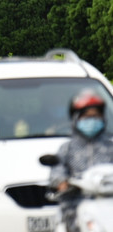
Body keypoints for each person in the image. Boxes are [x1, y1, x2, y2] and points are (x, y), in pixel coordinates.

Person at [50, 89, 113, 232]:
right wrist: (61, 182)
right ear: (76, 119)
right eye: (86, 117)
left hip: (108, 205)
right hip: (74, 206)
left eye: (96, 116)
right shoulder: (67, 149)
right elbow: (57, 170)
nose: (92, 121)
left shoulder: (110, 148)